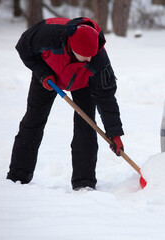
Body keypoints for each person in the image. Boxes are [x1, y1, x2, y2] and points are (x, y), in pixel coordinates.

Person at [7, 17, 124, 190]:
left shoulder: (99, 59)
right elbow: (24, 48)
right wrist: (42, 73)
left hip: (84, 83)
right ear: (71, 47)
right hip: (48, 76)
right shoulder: (47, 35)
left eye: (91, 57)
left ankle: (84, 183)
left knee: (86, 126)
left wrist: (114, 133)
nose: (88, 61)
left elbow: (106, 97)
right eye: (84, 57)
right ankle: (18, 176)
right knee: (33, 121)